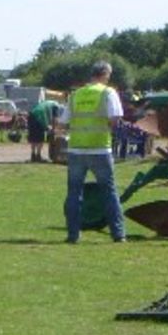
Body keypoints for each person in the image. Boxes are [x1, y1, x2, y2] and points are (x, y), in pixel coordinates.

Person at [58, 61, 127, 242]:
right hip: (100, 148)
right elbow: (115, 119)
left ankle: (73, 234)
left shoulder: (76, 95)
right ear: (104, 74)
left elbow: (63, 122)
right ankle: (118, 234)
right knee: (109, 192)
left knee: (74, 193)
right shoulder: (108, 92)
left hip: (77, 149)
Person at [25, 97, 56, 162]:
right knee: (40, 138)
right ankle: (38, 156)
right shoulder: (55, 106)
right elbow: (53, 118)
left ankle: (33, 155)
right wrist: (50, 127)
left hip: (31, 116)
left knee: (33, 137)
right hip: (39, 118)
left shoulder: (45, 104)